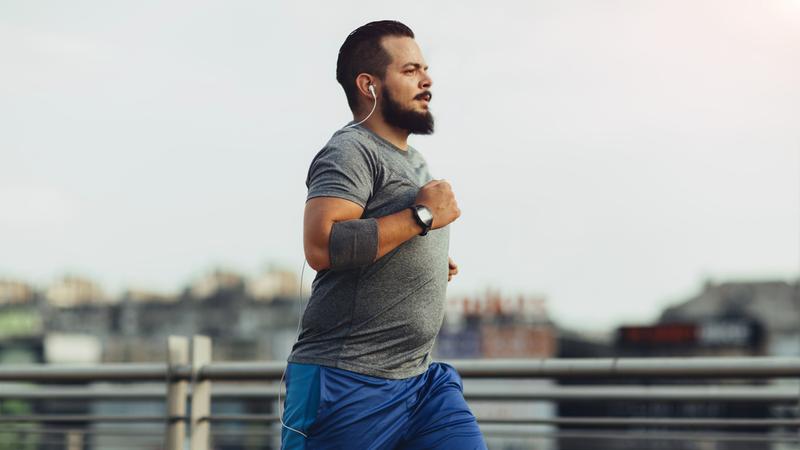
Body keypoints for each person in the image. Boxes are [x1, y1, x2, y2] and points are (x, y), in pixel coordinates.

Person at [281, 20, 487, 450]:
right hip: (348, 380)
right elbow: (321, 245)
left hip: (422, 381)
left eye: (426, 69)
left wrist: (425, 259)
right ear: (369, 85)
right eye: (410, 70)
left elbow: (390, 232)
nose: (427, 80)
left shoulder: (414, 160)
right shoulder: (350, 150)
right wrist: (424, 216)